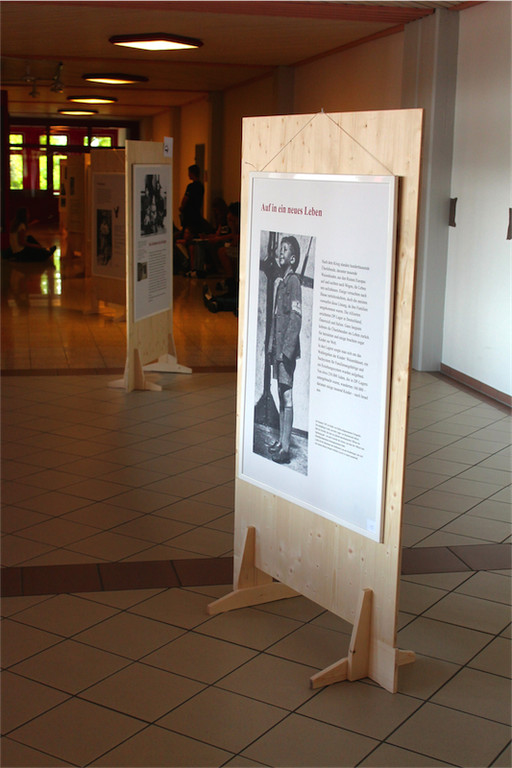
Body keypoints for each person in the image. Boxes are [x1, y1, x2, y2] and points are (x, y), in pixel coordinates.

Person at [267, 235, 302, 464]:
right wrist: (273, 348)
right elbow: (276, 319)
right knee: (281, 393)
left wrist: (286, 352)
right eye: (280, 248)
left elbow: (296, 319)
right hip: (278, 350)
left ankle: (286, 449)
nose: (281, 252)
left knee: (287, 395)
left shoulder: (294, 282)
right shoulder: (282, 282)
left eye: (286, 249)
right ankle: (281, 441)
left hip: (286, 351)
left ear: (293, 258)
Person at [179, 164, 204, 235]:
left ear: (192, 173)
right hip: (197, 214)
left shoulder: (191, 187)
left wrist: (182, 207)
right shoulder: (201, 186)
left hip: (189, 214)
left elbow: (185, 199)